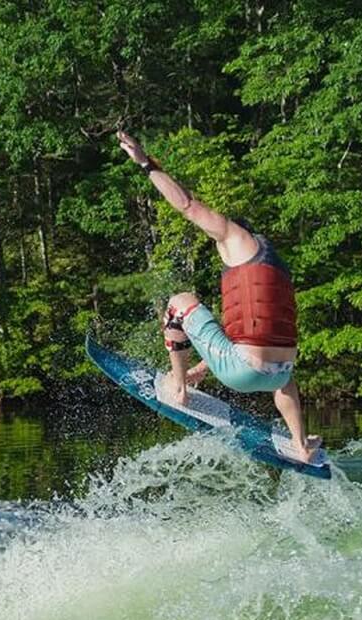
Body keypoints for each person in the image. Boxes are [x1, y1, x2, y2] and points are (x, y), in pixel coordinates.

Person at [116, 130, 320, 461]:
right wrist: (203, 367)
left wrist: (145, 163)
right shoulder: (275, 265)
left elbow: (187, 205)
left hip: (242, 370)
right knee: (285, 377)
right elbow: (248, 339)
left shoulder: (233, 236)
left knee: (178, 302)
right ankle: (300, 444)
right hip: (280, 374)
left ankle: (179, 388)